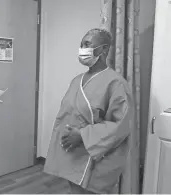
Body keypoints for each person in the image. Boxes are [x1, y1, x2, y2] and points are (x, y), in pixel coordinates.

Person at [43, 28, 134, 194]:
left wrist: (82, 135)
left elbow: (121, 124)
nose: (82, 49)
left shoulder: (116, 83)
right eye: (81, 44)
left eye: (87, 44)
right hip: (73, 155)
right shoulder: (76, 81)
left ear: (104, 49)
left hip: (97, 159)